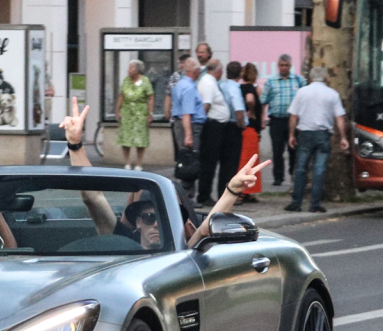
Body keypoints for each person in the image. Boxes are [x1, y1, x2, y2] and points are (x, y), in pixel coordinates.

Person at [59, 98, 267, 249]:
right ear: (138, 221)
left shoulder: (180, 248)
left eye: (163, 216)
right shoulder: (120, 241)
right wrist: (75, 145)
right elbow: (92, 196)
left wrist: (232, 190)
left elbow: (205, 229)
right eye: (149, 217)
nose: (157, 223)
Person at [285, 66, 350, 213]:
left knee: (301, 169)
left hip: (305, 134)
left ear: (311, 77)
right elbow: (339, 118)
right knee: (319, 170)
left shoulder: (302, 92)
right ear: (325, 77)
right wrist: (343, 137)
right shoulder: (332, 94)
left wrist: (291, 135)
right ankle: (315, 204)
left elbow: (293, 116)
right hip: (323, 135)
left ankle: (296, 202)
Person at [261, 54, 307, 187]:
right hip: (276, 120)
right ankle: (278, 177)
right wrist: (262, 119)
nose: (284, 68)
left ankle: (294, 174)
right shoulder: (271, 81)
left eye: (286, 65)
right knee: (277, 150)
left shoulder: (299, 80)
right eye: (281, 65)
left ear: (290, 66)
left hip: (293, 121)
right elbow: (264, 101)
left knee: (294, 149)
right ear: (278, 66)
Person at [196, 58, 233, 207]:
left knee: (211, 161)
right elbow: (206, 105)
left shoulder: (209, 81)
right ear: (218, 71)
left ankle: (206, 193)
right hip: (212, 126)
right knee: (209, 162)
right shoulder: (208, 83)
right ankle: (204, 195)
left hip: (217, 126)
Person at [220, 61, 255, 203]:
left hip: (222, 125)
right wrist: (242, 124)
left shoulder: (221, 85)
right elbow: (238, 108)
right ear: (240, 73)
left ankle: (221, 190)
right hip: (233, 127)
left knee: (224, 163)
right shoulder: (235, 88)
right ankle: (229, 194)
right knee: (232, 163)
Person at [171, 58, 206, 199]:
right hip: (190, 125)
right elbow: (187, 113)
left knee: (185, 159)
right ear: (193, 71)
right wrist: (189, 135)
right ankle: (187, 196)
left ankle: (185, 195)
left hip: (180, 124)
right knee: (190, 160)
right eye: (198, 70)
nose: (199, 73)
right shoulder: (189, 88)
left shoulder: (179, 85)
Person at [114, 58, 154, 170]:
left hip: (140, 113)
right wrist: (117, 110)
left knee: (140, 139)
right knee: (125, 138)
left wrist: (150, 114)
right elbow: (121, 96)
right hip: (127, 112)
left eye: (130, 68)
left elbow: (150, 98)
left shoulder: (145, 81)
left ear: (137, 70)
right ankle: (127, 162)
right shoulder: (126, 81)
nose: (128, 70)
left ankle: (138, 163)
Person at [164, 52, 190, 122]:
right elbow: (169, 93)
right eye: (180, 63)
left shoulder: (193, 76)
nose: (181, 65)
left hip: (189, 116)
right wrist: (166, 110)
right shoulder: (175, 75)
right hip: (175, 116)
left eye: (183, 63)